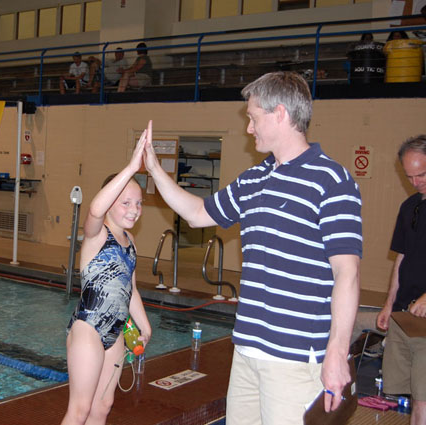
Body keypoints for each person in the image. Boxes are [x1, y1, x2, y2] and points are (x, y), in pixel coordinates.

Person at [142, 71, 362, 424]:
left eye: (252, 117)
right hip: (246, 351)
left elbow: (346, 273)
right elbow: (198, 213)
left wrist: (336, 353)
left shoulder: (331, 181)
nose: (249, 128)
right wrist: (153, 169)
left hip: (293, 358)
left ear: (279, 114)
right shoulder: (254, 179)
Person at [62, 131, 152, 425]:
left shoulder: (131, 243)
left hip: (116, 330)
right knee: (80, 409)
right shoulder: (96, 234)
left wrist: (144, 325)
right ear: (111, 201)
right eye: (125, 202)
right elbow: (94, 209)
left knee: (103, 407)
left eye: (138, 204)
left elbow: (131, 289)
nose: (134, 210)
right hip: (88, 328)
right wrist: (130, 168)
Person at [376, 135, 426, 425]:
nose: (416, 182)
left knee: (422, 398)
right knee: (406, 392)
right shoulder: (409, 207)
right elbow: (401, 258)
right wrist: (388, 304)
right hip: (406, 316)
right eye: (410, 176)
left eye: (422, 174)